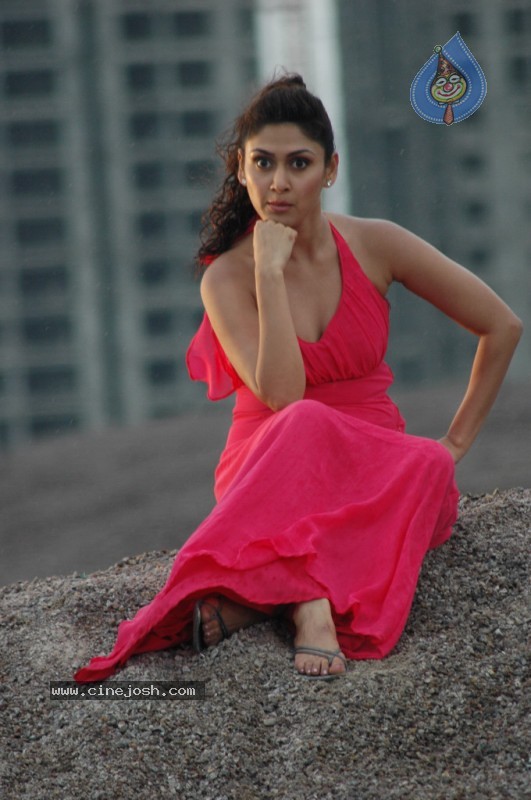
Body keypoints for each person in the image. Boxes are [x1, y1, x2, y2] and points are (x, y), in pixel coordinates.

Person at [75, 74, 522, 683]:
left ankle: (256, 600)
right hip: (271, 464)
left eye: (299, 163)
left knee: (428, 464)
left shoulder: (376, 243)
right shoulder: (226, 277)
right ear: (240, 170)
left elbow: (501, 325)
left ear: (330, 170)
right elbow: (283, 397)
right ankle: (312, 609)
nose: (278, 182)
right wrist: (267, 272)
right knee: (307, 415)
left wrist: (456, 442)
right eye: (262, 163)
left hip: (369, 459)